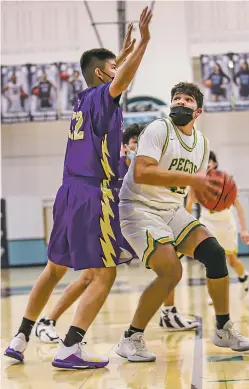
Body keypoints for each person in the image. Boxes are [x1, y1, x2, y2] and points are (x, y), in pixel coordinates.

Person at [5, 7, 153, 369]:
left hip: (67, 192)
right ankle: (70, 347)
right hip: (93, 193)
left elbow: (102, 75)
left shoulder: (83, 98)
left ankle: (20, 336)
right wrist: (143, 44)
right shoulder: (103, 96)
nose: (120, 74)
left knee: (53, 268)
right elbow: (116, 80)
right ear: (104, 75)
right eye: (114, 70)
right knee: (105, 274)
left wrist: (117, 57)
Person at [116, 81, 249, 363]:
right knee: (171, 272)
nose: (180, 102)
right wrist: (193, 180)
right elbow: (141, 172)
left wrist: (217, 193)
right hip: (139, 208)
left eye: (187, 100)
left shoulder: (202, 143)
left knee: (214, 254)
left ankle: (223, 328)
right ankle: (130, 337)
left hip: (171, 209)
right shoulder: (158, 129)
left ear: (198, 111)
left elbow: (197, 187)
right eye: (176, 98)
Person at [35, 124, 143, 344]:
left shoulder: (144, 171)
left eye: (142, 144)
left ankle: (54, 325)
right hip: (96, 224)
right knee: (87, 277)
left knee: (91, 278)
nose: (138, 147)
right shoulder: (113, 167)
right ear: (125, 147)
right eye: (134, 143)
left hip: (121, 229)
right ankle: (50, 322)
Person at [186, 151, 249, 303]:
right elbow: (188, 209)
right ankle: (214, 294)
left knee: (232, 261)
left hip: (226, 222)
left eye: (209, 161)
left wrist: (244, 229)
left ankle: (244, 277)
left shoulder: (225, 181)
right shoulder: (195, 184)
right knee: (211, 259)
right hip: (208, 222)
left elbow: (239, 208)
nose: (206, 165)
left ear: (214, 164)